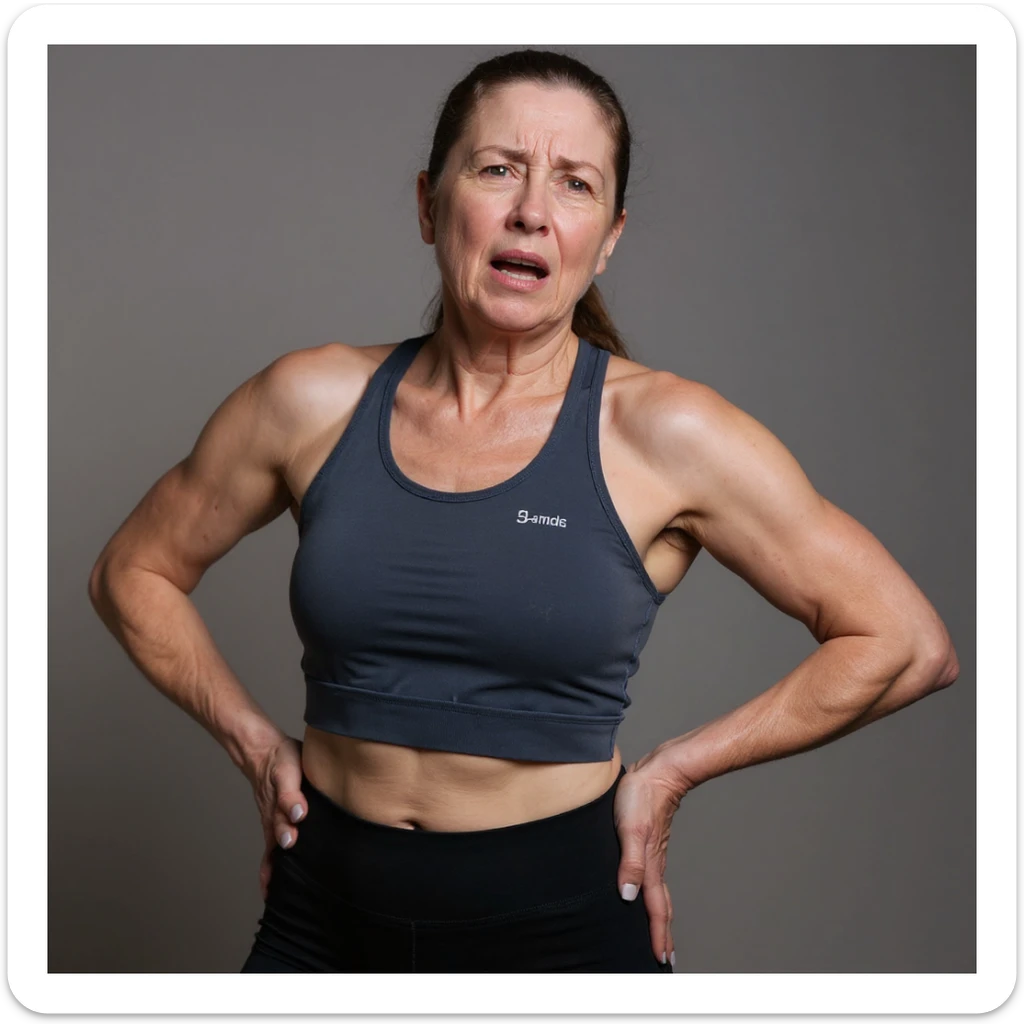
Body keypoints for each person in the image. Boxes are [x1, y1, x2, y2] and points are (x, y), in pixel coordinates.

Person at [87, 48, 960, 974]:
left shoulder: (667, 431)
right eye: (498, 168)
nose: (532, 212)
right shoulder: (310, 400)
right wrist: (253, 743)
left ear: (610, 234)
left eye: (574, 184)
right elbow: (130, 573)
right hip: (322, 918)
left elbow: (906, 642)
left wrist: (672, 772)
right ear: (429, 203)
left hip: (562, 926)